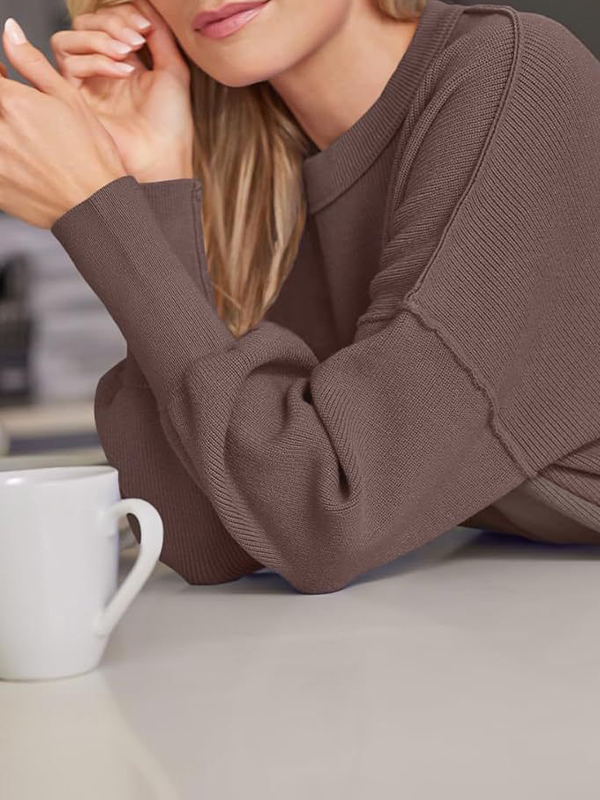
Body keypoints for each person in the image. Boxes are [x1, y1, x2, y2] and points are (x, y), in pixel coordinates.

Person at [0, 0, 599, 594]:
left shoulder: (516, 76)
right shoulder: (256, 175)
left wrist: (98, 210)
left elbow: (329, 517)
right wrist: (152, 186)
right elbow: (208, 538)